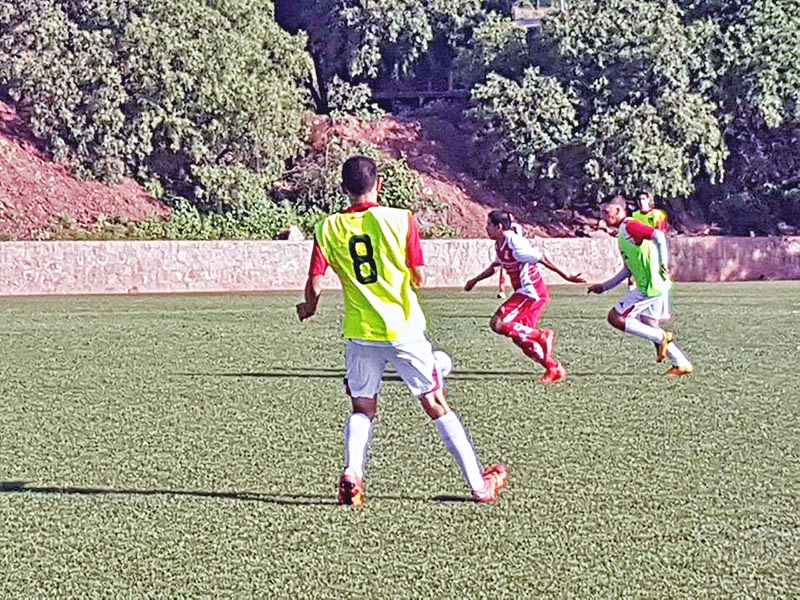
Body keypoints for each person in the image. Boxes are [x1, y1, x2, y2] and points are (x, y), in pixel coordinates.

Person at [296, 155, 508, 506]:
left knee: (362, 407)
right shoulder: (401, 220)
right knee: (436, 403)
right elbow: (419, 278)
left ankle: (353, 473)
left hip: (360, 332)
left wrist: (308, 309)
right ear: (378, 184)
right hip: (403, 329)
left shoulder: (327, 227)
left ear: (343, 189)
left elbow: (314, 283)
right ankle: (479, 486)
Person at [464, 210, 585, 383]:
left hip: (531, 292)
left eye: (488, 224)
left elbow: (541, 258)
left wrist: (566, 276)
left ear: (498, 227)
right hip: (525, 292)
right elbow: (494, 267)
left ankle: (541, 335)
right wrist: (474, 281)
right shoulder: (499, 244)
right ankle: (553, 368)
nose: (486, 228)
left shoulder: (515, 244)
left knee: (498, 323)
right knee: (520, 340)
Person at [587, 196, 694, 376]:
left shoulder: (630, 226)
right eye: (601, 212)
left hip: (650, 286)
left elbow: (659, 235)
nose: (603, 216)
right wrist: (605, 287)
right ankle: (681, 363)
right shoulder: (623, 232)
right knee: (648, 323)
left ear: (619, 211)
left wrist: (664, 263)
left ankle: (662, 338)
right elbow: (628, 269)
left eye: (606, 212)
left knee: (615, 318)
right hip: (655, 284)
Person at [496, 215, 525, 299]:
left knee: (518, 271)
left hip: (515, 251)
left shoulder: (516, 227)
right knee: (503, 269)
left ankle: (520, 290)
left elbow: (519, 239)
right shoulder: (505, 228)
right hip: (507, 250)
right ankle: (502, 291)